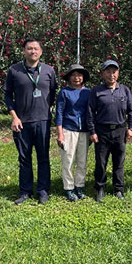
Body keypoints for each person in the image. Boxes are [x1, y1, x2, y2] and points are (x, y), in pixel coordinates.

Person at [4, 38, 56, 205]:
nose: (33, 51)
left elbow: (53, 93)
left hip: (43, 121)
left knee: (43, 157)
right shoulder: (14, 70)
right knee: (24, 158)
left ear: (41, 52)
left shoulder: (48, 71)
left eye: (36, 49)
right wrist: (14, 116)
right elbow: (7, 95)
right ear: (24, 51)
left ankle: (42, 190)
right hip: (22, 122)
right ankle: (25, 191)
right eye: (29, 49)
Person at [87, 60, 132, 202]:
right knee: (101, 162)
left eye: (114, 71)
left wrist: (131, 128)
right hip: (102, 131)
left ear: (118, 73)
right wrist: (92, 131)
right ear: (103, 73)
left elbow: (131, 110)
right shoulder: (96, 91)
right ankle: (100, 188)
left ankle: (118, 189)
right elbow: (90, 112)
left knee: (119, 161)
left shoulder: (125, 90)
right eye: (108, 71)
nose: (111, 74)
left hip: (120, 131)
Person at [55, 64, 91, 202]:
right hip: (68, 129)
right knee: (68, 160)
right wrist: (60, 133)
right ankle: (69, 188)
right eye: (74, 75)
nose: (77, 78)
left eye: (79, 75)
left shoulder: (87, 92)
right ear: (69, 77)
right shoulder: (64, 92)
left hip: (84, 131)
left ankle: (79, 186)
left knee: (82, 160)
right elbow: (59, 113)